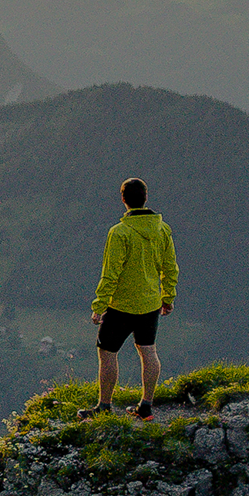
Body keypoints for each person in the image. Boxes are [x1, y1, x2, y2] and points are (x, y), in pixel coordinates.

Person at [78, 177, 178, 422]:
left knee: (107, 352)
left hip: (120, 306)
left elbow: (110, 274)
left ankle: (104, 406)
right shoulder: (162, 229)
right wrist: (168, 297)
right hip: (150, 304)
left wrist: (99, 307)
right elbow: (170, 267)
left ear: (123, 200)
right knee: (148, 351)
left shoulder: (119, 232)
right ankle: (146, 406)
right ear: (146, 198)